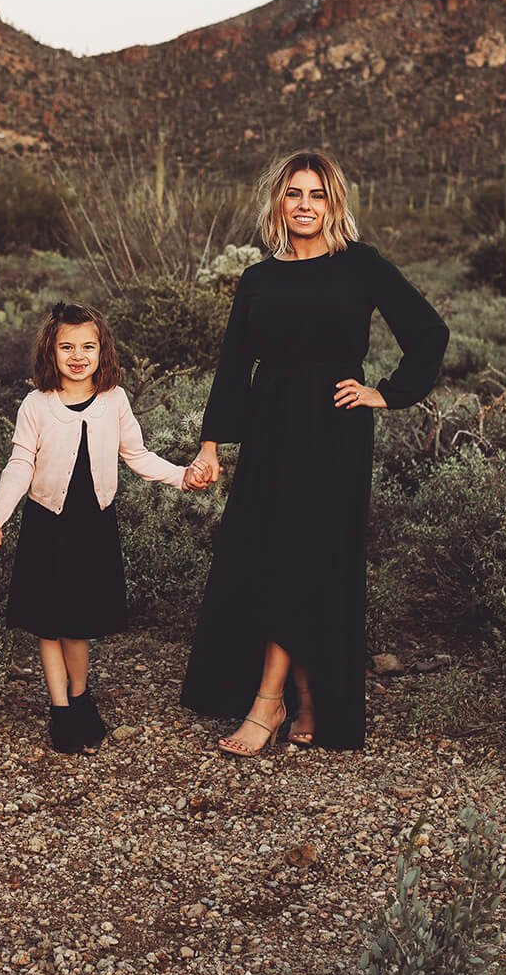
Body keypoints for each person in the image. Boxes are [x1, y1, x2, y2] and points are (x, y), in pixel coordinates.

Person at [179, 150, 448, 754]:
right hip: (272, 429)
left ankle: (266, 703)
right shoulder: (259, 278)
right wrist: (212, 444)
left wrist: (387, 394)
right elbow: (232, 366)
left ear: (335, 203)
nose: (305, 205)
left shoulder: (361, 266)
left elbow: (428, 331)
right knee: (275, 558)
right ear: (279, 202)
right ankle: (306, 700)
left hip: (334, 431)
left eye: (317, 195)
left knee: (313, 559)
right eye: (295, 194)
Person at [0, 303, 205, 754]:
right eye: (67, 346)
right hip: (46, 524)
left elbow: (138, 455)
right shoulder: (37, 404)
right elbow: (19, 464)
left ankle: (80, 694)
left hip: (93, 525)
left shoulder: (114, 400)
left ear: (101, 350)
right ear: (50, 351)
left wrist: (182, 474)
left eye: (88, 346)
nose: (77, 355)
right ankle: (60, 709)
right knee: (47, 624)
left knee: (78, 623)